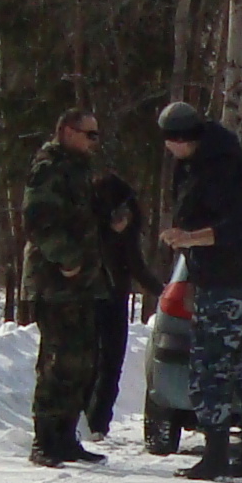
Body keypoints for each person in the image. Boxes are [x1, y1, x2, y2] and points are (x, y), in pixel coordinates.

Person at [157, 99, 242, 482]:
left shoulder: (216, 168)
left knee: (211, 368)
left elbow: (235, 226)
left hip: (225, 283)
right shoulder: (226, 158)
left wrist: (188, 238)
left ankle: (217, 456)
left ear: (180, 138)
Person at [20, 109, 109, 468]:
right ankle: (44, 439)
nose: (94, 142)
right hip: (54, 281)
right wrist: (67, 259)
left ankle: (66, 437)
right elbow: (38, 221)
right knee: (58, 360)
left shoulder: (79, 170)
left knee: (82, 360)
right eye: (90, 134)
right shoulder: (49, 168)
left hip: (82, 281)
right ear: (68, 132)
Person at [80, 163, 158, 447]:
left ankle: (84, 420)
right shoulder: (119, 229)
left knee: (90, 362)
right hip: (110, 297)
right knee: (109, 363)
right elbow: (135, 265)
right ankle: (96, 423)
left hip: (86, 296)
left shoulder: (84, 227)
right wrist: (160, 290)